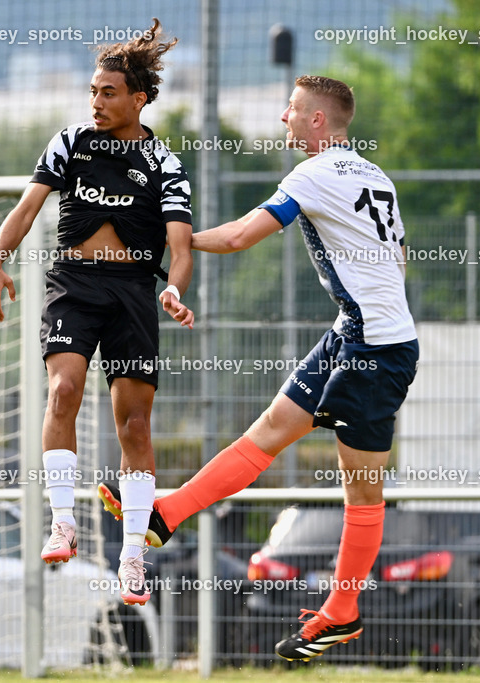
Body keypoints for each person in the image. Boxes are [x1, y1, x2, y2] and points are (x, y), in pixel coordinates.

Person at [98, 75, 419, 657]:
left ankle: (343, 611)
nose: (283, 118)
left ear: (318, 121)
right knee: (270, 431)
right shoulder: (376, 175)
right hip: (359, 334)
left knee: (362, 491)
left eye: (292, 109)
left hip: (375, 351)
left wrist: (178, 241)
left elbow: (244, 235)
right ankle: (167, 514)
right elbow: (397, 261)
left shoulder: (315, 173)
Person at [0, 19, 194, 607]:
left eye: (108, 92)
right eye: (93, 91)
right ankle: (64, 522)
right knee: (63, 392)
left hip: (132, 293)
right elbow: (27, 208)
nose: (96, 102)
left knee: (134, 425)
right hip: (73, 285)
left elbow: (179, 244)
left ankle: (131, 557)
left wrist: (172, 290)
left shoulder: (163, 162)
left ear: (139, 99)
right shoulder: (70, 141)